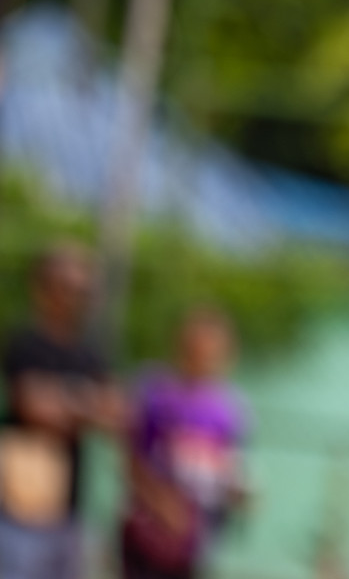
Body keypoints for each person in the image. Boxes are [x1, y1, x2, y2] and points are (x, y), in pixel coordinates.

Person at [0, 242, 119, 579]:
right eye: (67, 287)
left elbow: (114, 415)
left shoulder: (92, 353)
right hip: (18, 509)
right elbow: (33, 408)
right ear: (42, 288)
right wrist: (86, 402)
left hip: (70, 511)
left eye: (84, 290)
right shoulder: (24, 343)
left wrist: (60, 399)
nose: (76, 298)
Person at [119, 307, 248, 579]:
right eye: (196, 348)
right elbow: (130, 458)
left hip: (198, 536)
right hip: (149, 532)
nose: (203, 356)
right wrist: (162, 503)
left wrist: (238, 490)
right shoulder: (154, 391)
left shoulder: (230, 408)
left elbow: (229, 464)